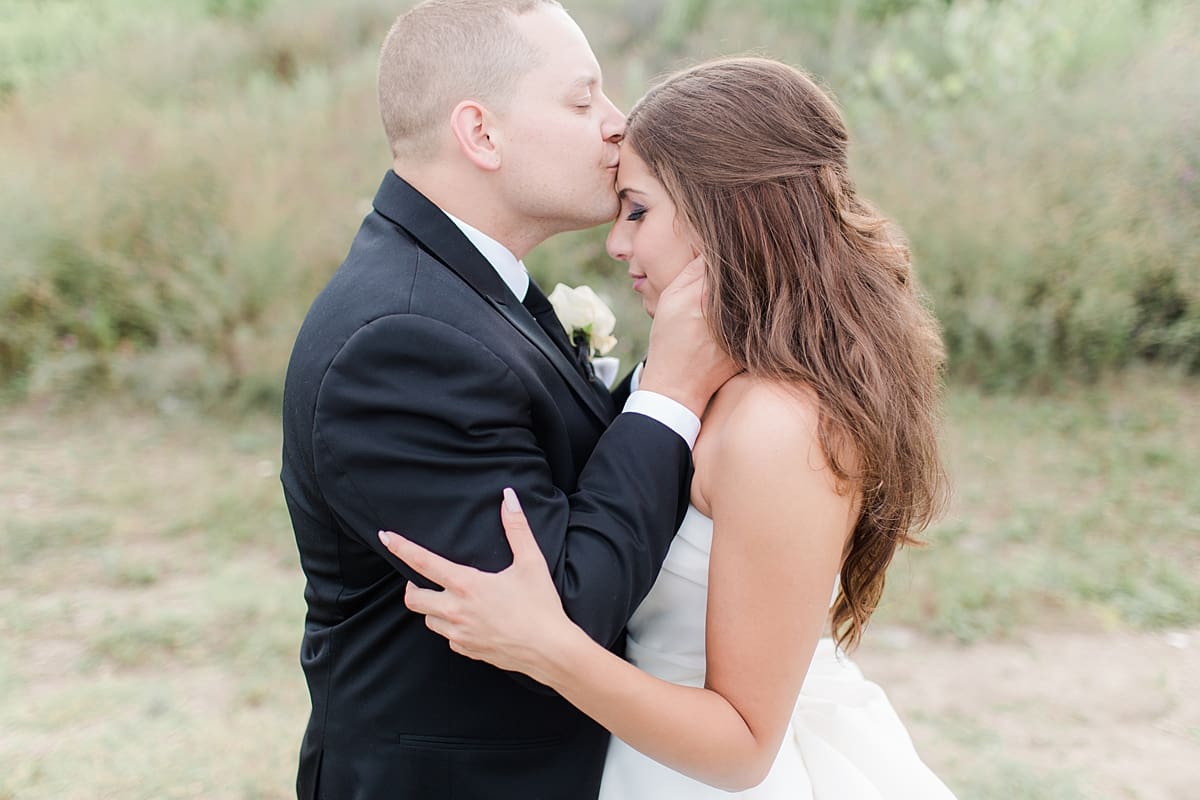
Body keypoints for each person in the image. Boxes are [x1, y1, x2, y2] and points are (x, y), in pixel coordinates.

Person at [381, 57, 959, 798]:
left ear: (728, 213)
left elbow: (745, 747)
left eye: (639, 210)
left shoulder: (777, 426)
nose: (618, 243)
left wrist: (548, 647)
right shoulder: (709, 378)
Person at [279, 2, 734, 798]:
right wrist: (669, 390)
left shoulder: (463, 286)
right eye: (582, 99)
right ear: (481, 133)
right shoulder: (399, 341)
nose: (617, 126)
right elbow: (560, 608)